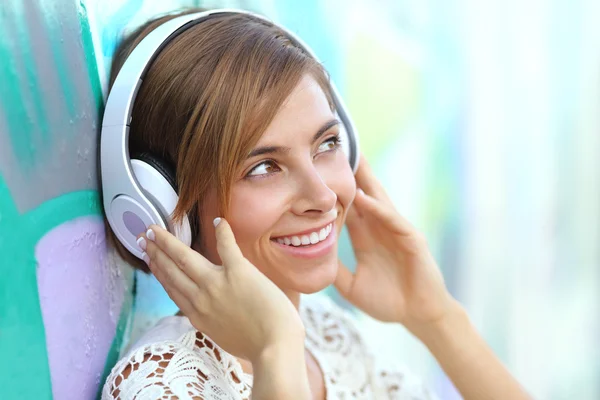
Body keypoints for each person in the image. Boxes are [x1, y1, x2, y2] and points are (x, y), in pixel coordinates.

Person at [100, 8, 531, 400]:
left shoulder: (327, 337)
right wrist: (275, 353)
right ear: (162, 202)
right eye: (264, 167)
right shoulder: (161, 385)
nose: (324, 196)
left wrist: (435, 318)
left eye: (327, 143)